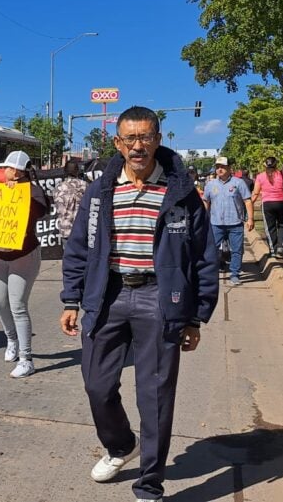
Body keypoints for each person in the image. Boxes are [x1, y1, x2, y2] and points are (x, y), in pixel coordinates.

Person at [59, 106, 218, 502]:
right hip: (107, 296)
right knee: (97, 385)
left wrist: (196, 317)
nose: (137, 146)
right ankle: (120, 444)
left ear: (158, 139)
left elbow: (203, 256)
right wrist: (71, 298)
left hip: (159, 299)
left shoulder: (181, 193)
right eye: (129, 139)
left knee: (156, 395)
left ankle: (149, 483)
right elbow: (79, 246)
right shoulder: (101, 192)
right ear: (117, 143)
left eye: (145, 137)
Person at [0, 150, 49, 378]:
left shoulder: (33, 192)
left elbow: (40, 211)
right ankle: (11, 340)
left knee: (18, 306)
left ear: (15, 170)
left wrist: (20, 195)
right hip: (0, 255)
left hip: (24, 255)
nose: (3, 171)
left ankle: (26, 359)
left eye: (6, 167)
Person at [203, 156, 254, 286]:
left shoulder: (238, 183)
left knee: (236, 250)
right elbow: (206, 201)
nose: (219, 169)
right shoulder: (210, 184)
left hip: (235, 223)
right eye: (217, 167)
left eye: (222, 167)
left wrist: (250, 219)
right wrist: (204, 219)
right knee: (211, 250)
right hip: (215, 224)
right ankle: (210, 275)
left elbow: (247, 200)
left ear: (229, 168)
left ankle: (235, 274)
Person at [251, 156, 283, 258]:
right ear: (276, 164)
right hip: (282, 203)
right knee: (282, 225)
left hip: (267, 204)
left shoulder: (260, 176)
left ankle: (273, 251)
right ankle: (281, 247)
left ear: (265, 165)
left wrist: (249, 203)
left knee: (270, 227)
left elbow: (255, 193)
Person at [54, 159, 89, 241]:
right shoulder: (85, 186)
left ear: (65, 171)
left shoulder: (58, 188)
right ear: (77, 171)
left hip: (65, 231)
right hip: (82, 231)